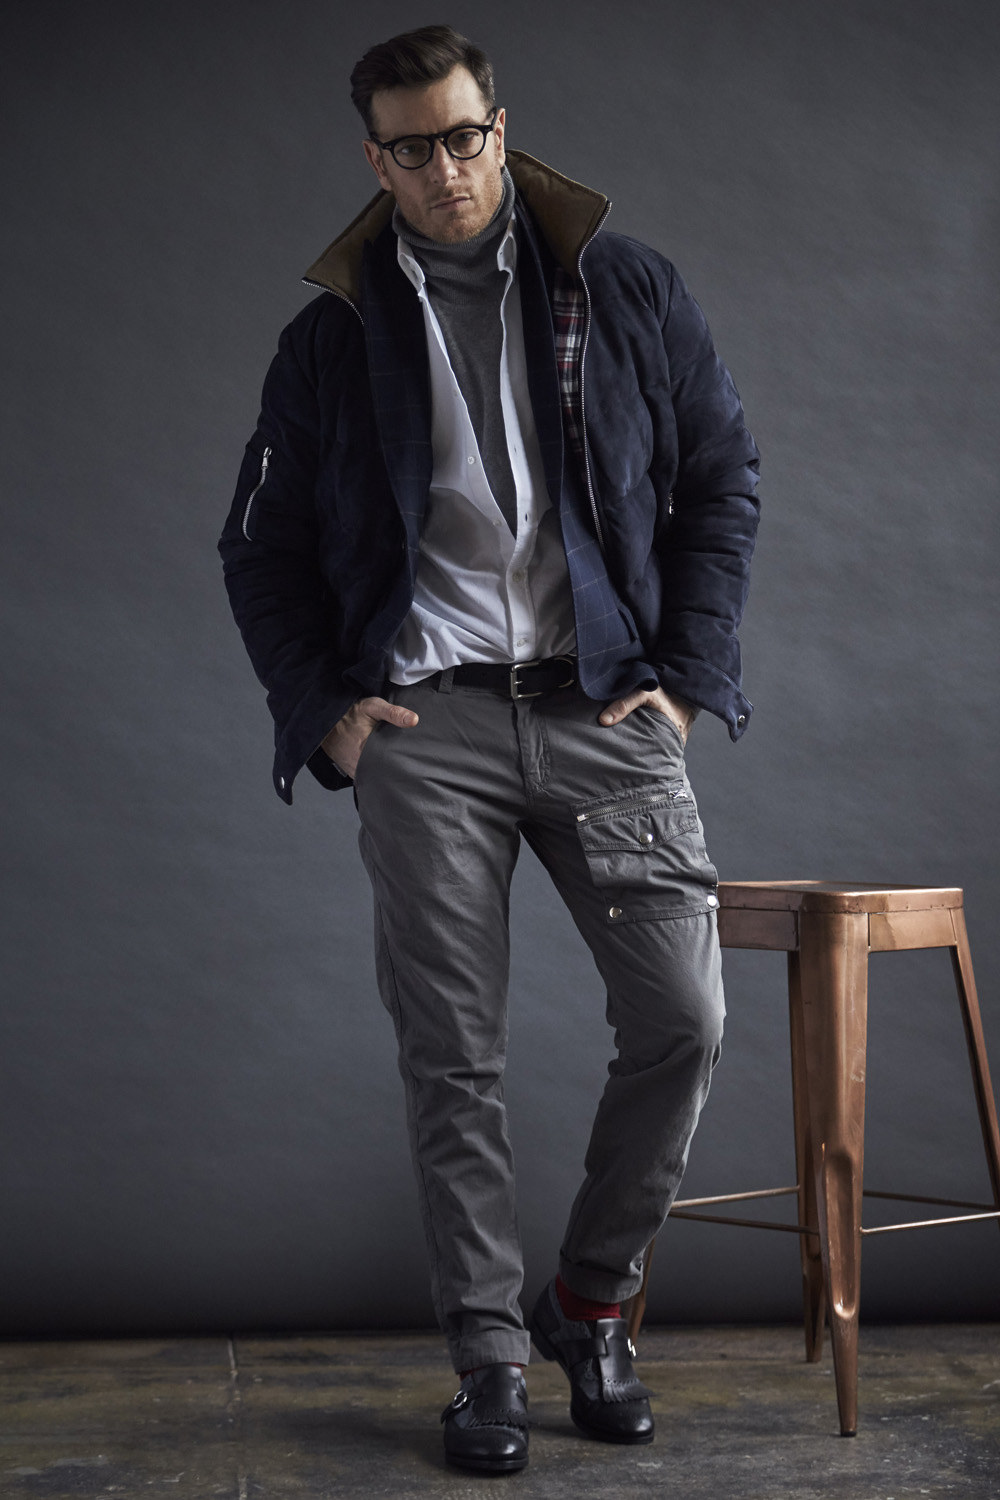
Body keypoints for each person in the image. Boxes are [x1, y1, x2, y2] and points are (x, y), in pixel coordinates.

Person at [219, 23, 760, 1475]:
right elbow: (259, 549)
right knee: (452, 1056)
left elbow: (723, 478)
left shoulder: (622, 287)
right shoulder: (331, 340)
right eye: (413, 147)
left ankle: (588, 1304)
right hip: (428, 724)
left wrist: (688, 682)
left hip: (607, 708)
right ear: (375, 159)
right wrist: (325, 712)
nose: (446, 169)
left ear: (500, 130)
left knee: (684, 1021)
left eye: (464, 137)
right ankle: (486, 1360)